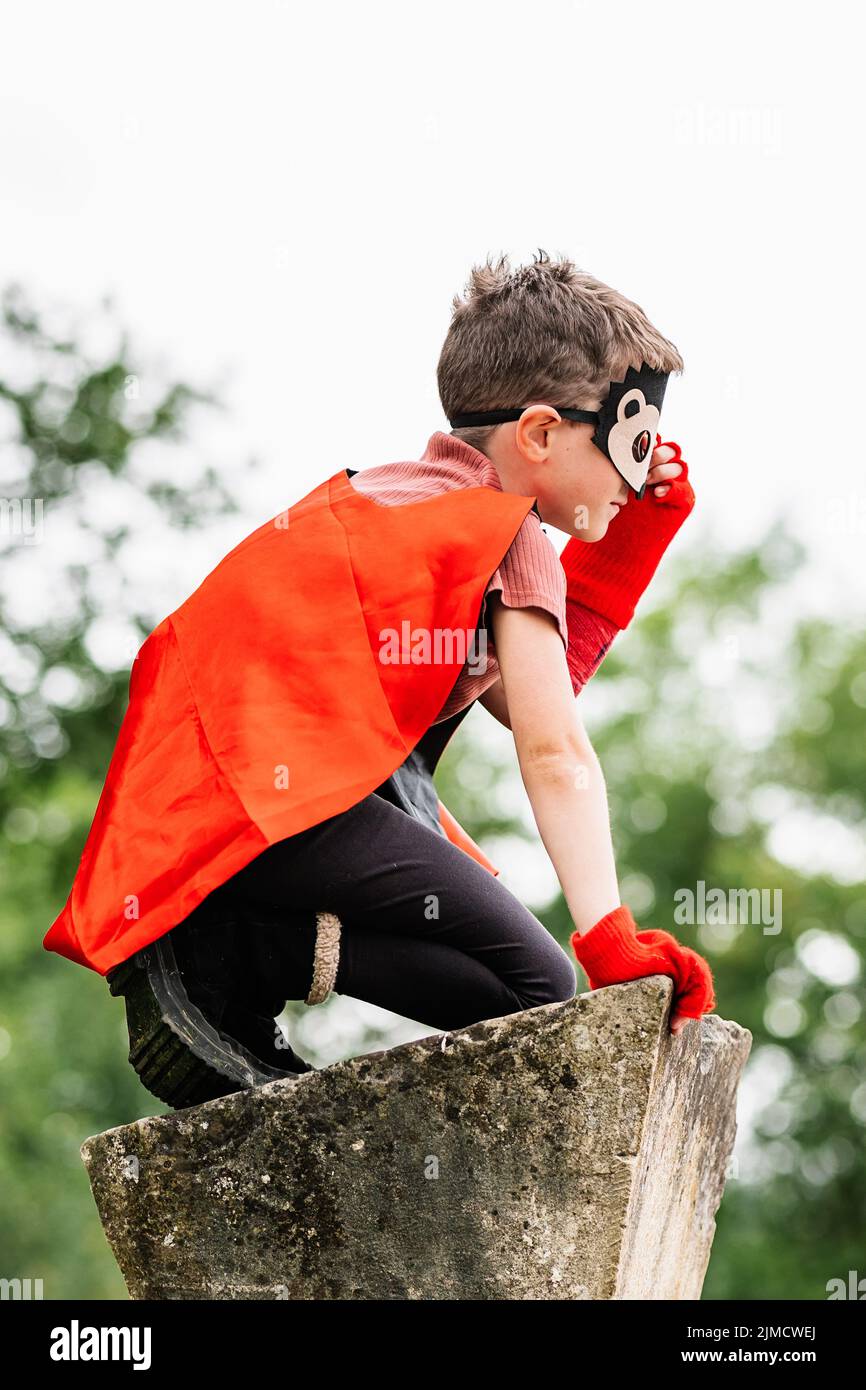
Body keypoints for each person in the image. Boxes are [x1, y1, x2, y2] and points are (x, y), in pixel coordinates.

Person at [45, 249, 714, 1108]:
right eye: (630, 445)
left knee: (500, 969)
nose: (636, 477)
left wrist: (628, 544)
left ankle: (242, 946)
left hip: (216, 807)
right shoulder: (507, 534)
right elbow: (552, 748)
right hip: (290, 809)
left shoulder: (387, 496)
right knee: (542, 993)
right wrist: (609, 934)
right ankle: (243, 953)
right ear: (542, 435)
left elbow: (529, 689)